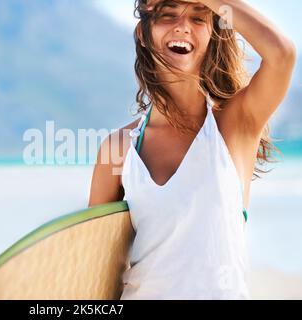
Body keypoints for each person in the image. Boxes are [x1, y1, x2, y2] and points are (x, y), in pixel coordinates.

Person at [88, 0, 296, 299]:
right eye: (167, 15)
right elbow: (95, 266)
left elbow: (282, 53)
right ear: (143, 34)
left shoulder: (235, 126)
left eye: (199, 19)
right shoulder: (120, 148)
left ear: (212, 34)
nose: (182, 26)